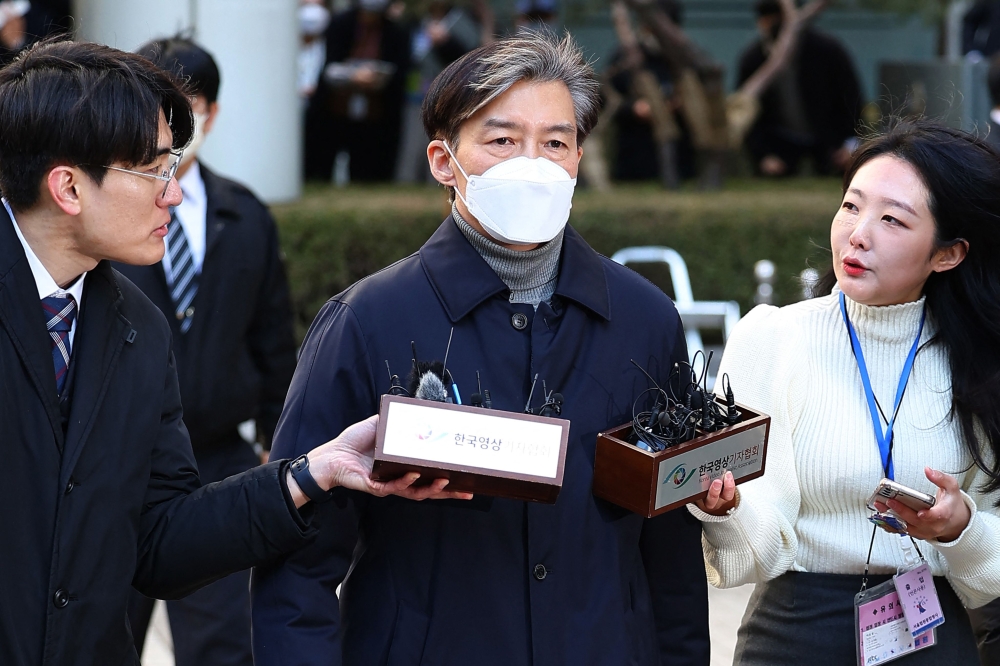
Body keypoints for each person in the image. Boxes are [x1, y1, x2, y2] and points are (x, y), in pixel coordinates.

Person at [0, 39, 465, 666]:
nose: (173, 193)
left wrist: (311, 472)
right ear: (69, 187)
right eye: (155, 170)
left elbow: (161, 541)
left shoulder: (135, 327)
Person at [252, 31, 710, 666]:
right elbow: (299, 562)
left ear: (579, 157)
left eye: (555, 142)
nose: (533, 163)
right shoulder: (368, 321)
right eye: (502, 141)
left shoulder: (645, 322)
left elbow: (672, 562)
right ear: (445, 161)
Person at [691, 119, 1000, 664]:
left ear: (947, 254)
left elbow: (990, 573)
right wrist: (727, 507)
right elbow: (754, 550)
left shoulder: (979, 360)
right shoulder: (775, 338)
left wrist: (961, 529)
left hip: (930, 628)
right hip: (796, 632)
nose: (858, 234)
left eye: (892, 220)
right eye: (851, 207)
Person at [112, 36, 297, 666]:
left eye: (184, 107)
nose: (168, 127)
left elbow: (273, 335)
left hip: (217, 458)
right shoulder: (101, 219)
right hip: (115, 460)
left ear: (210, 114)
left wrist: (280, 430)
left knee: (222, 640)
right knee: (98, 634)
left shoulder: (245, 216)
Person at [736, 0, 862, 176]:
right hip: (781, 140)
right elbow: (750, 113)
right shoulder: (753, 59)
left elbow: (850, 97)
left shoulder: (827, 51)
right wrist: (762, 154)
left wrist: (850, 143)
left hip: (827, 138)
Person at [303, 0, 411, 182]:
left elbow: (399, 72)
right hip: (334, 108)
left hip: (376, 113)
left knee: (368, 168)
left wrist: (376, 77)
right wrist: (353, 76)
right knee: (320, 165)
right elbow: (327, 67)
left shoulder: (396, 32)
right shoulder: (339, 25)